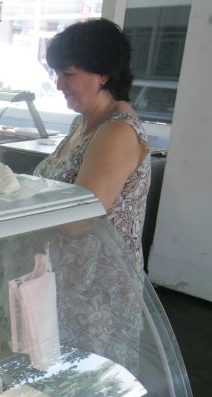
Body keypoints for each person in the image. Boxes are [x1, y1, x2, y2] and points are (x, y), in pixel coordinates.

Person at [34, 18, 150, 270]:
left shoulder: (117, 132)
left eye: (68, 74)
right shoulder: (82, 123)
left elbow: (77, 221)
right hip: (61, 270)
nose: (59, 85)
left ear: (103, 75)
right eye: (57, 74)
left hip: (94, 285)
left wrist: (12, 199)